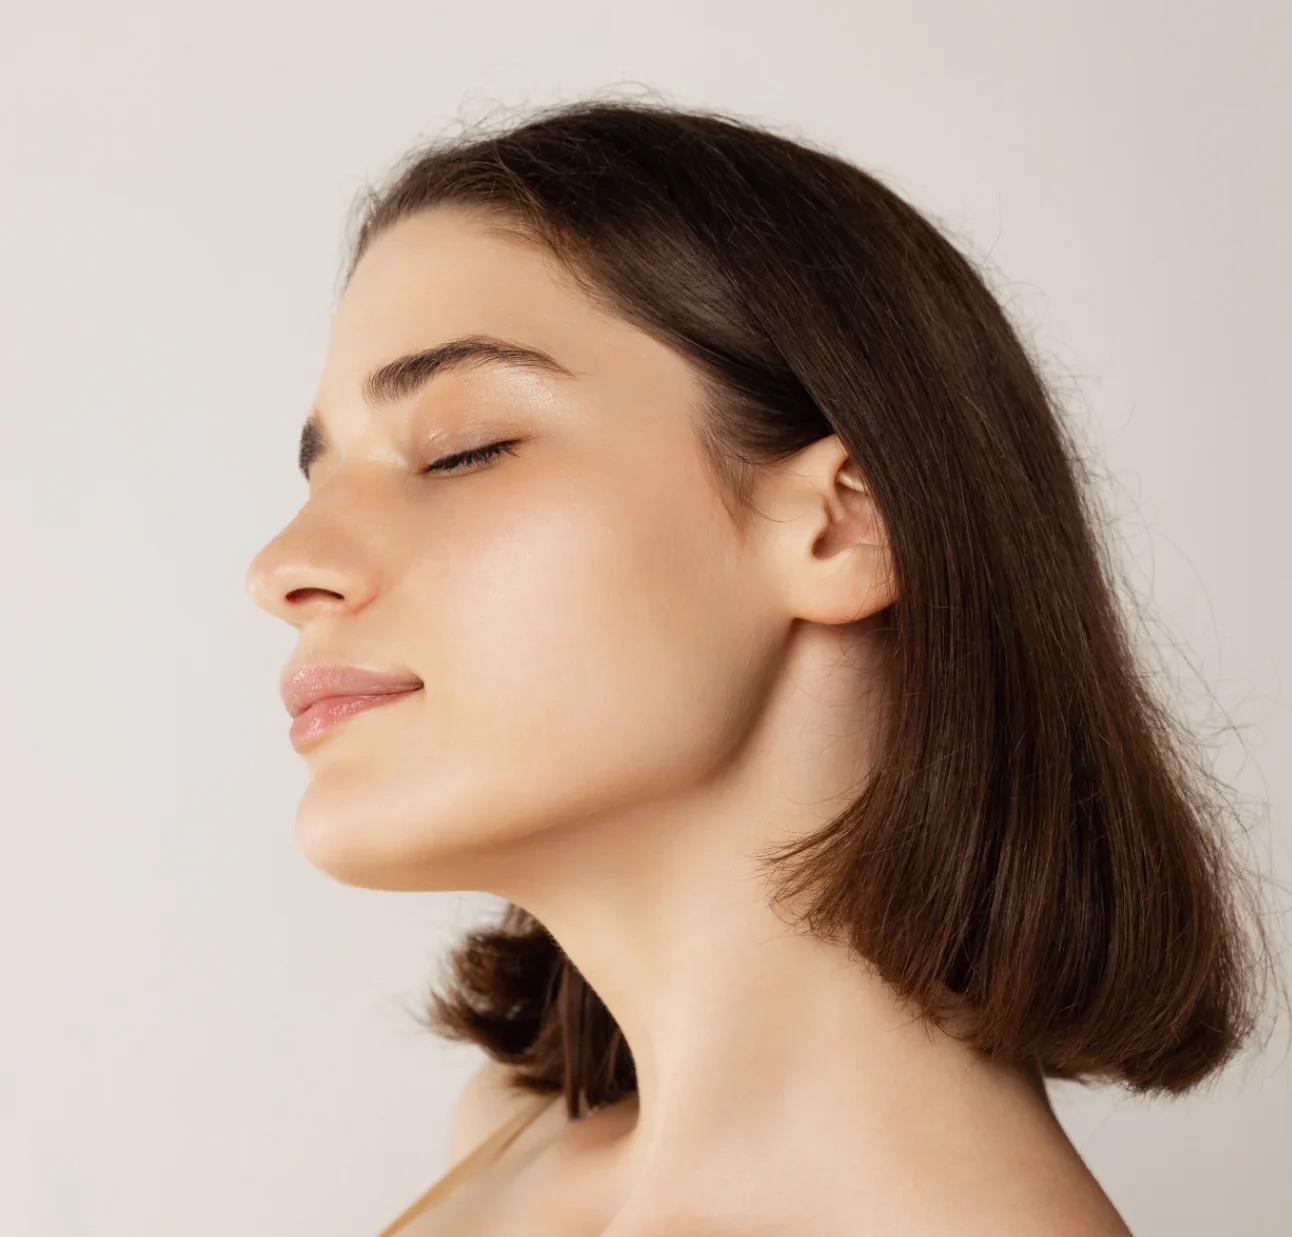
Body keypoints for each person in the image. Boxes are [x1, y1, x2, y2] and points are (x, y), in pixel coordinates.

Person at [243, 98, 1276, 1236]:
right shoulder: (509, 1136)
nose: (284, 566)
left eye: (460, 448)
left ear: (844, 526)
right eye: (318, 475)